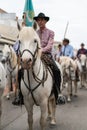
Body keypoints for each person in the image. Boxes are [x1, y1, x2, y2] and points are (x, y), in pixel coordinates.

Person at [33, 12, 65, 104]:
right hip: (35, 56)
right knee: (22, 70)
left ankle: (58, 94)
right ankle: (21, 95)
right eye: (38, 20)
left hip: (47, 55)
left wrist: (40, 50)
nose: (40, 21)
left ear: (45, 21)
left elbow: (50, 46)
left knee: (56, 70)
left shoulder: (51, 32)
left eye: (42, 20)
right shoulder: (35, 33)